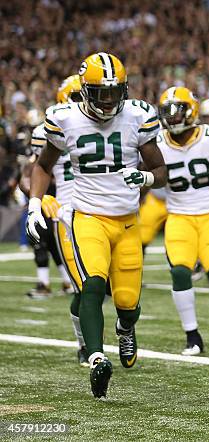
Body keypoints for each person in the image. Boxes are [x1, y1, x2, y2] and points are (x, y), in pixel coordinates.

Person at [26, 52, 167, 398]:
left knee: (128, 302)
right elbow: (42, 166)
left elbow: (162, 173)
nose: (108, 100)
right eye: (101, 93)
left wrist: (146, 176)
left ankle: (125, 327)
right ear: (85, 91)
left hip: (128, 221)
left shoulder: (137, 116)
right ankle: (96, 358)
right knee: (92, 285)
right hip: (87, 218)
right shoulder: (65, 119)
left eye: (114, 92)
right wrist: (33, 205)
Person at [157, 86, 209, 355]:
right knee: (180, 272)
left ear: (191, 110)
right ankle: (192, 335)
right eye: (166, 112)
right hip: (179, 216)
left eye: (176, 110)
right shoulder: (156, 143)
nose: (171, 117)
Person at [22, 75, 89, 365]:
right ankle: (86, 344)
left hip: (103, 210)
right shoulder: (48, 130)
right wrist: (41, 199)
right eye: (78, 96)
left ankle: (123, 332)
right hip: (67, 212)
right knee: (84, 286)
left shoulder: (110, 123)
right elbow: (38, 170)